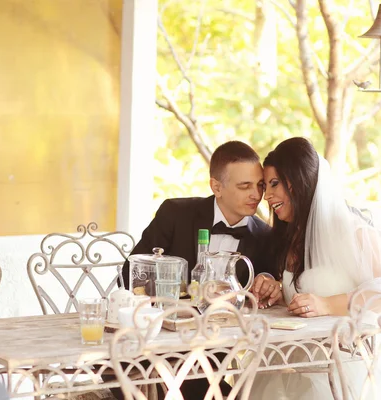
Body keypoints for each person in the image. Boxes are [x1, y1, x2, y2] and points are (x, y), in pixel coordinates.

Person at [249, 137, 381, 400]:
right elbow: (312, 285)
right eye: (266, 186)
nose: (268, 195)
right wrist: (280, 290)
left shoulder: (352, 231)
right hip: (303, 353)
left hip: (358, 358)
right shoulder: (293, 239)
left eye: (274, 184)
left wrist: (326, 305)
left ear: (298, 181)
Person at [115, 140, 277, 400]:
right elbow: (129, 273)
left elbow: (268, 282)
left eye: (259, 185)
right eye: (244, 186)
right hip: (157, 343)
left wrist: (268, 280)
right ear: (216, 187)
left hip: (216, 352)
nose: (256, 195)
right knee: (119, 372)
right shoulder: (175, 213)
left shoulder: (266, 236)